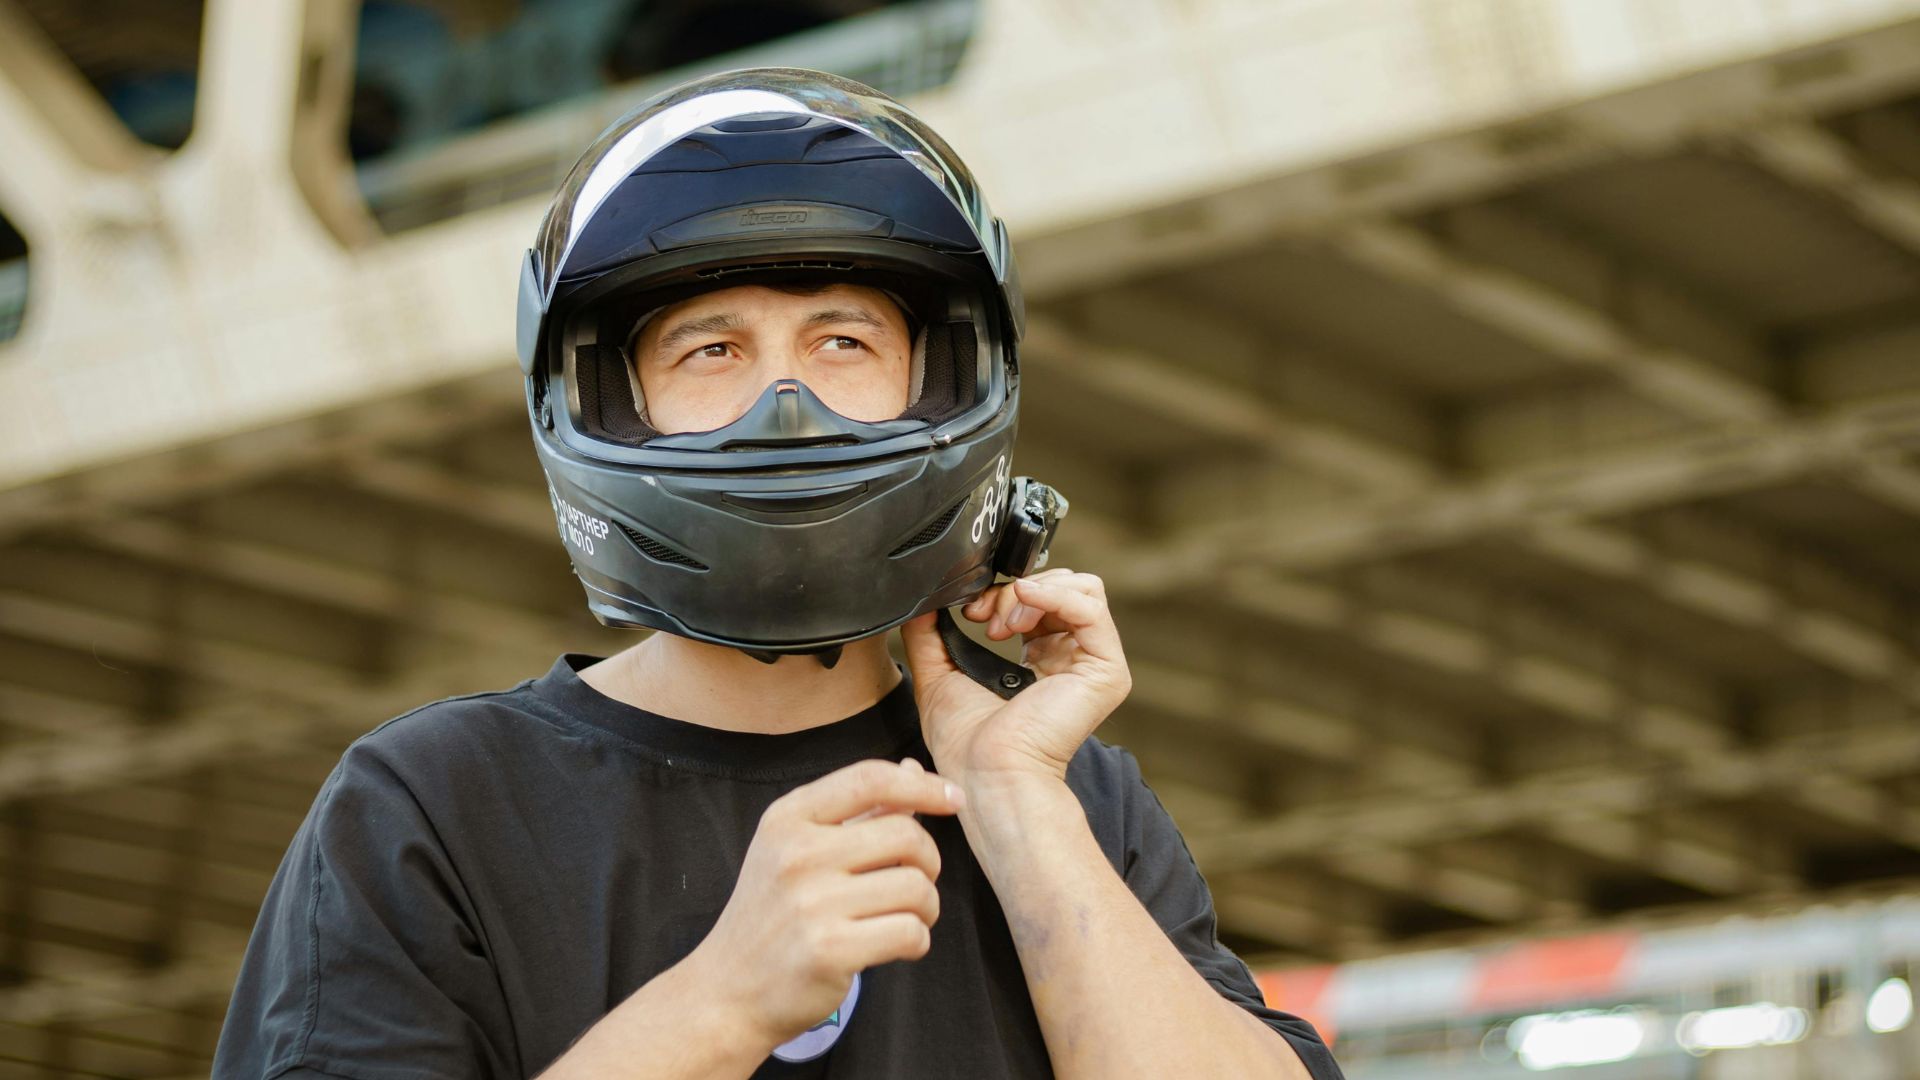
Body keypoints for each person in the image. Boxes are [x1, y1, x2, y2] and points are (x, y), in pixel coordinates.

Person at [211, 69, 1345, 1079]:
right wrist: (723, 1004)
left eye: (844, 342)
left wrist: (1020, 811)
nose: (787, 409)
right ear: (610, 398)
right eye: (712, 350)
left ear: (940, 374)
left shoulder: (1073, 798)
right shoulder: (434, 804)